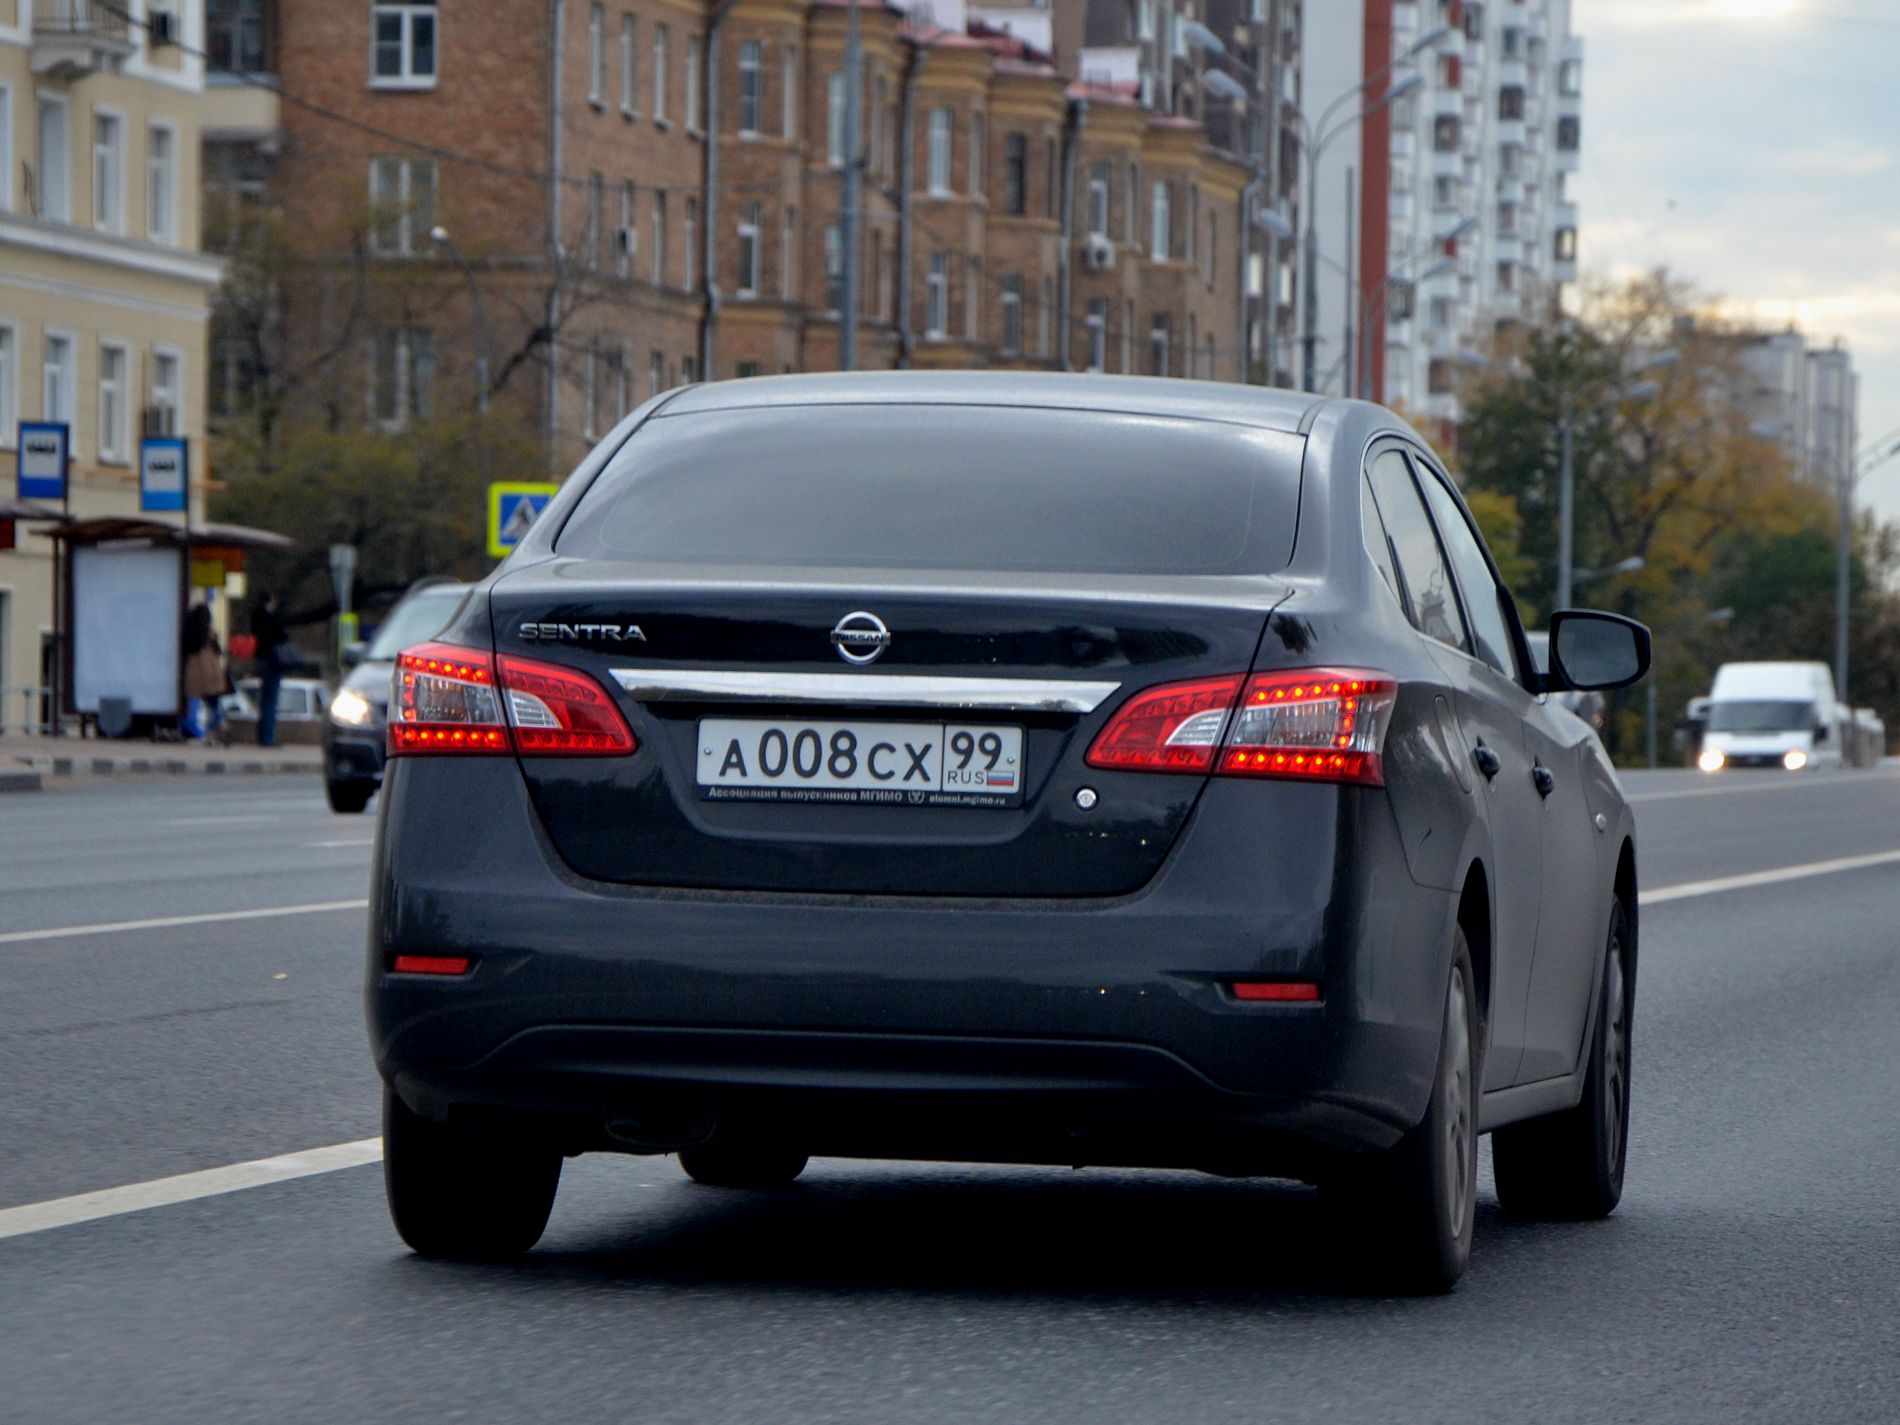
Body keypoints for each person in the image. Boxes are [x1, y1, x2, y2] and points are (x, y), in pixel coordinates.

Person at [181, 602, 229, 744]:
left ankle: (194, 727)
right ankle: (216, 728)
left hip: (193, 673)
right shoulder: (209, 634)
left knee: (193, 701)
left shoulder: (189, 632)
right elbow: (218, 651)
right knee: (214, 703)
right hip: (210, 673)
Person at [251, 592, 288, 748]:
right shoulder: (269, 619)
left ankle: (263, 735)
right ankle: (267, 737)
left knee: (265, 699)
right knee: (271, 701)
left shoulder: (256, 617)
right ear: (270, 601)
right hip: (272, 661)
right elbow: (281, 635)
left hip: (262, 659)